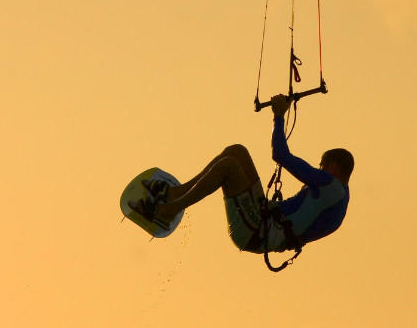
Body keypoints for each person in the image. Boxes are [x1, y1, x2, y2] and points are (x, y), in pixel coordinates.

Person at [134, 94, 354, 253]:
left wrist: (278, 116)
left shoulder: (329, 184)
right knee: (237, 151)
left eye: (321, 166)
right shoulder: (339, 197)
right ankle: (176, 193)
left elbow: (280, 155)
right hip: (264, 217)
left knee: (229, 166)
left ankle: (168, 211)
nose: (319, 170)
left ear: (332, 168)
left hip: (258, 231)